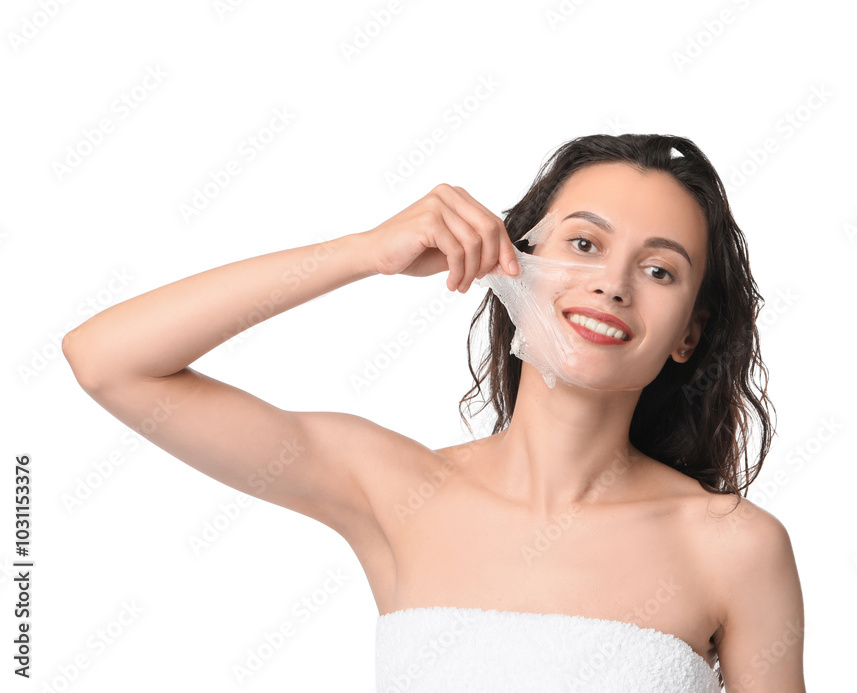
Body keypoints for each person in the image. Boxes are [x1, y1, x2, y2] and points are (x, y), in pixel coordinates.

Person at [63, 133, 806, 692]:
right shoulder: (394, 490)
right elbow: (108, 361)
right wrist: (366, 252)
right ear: (514, 263)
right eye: (583, 243)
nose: (613, 284)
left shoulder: (734, 547)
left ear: (688, 334)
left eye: (659, 270)